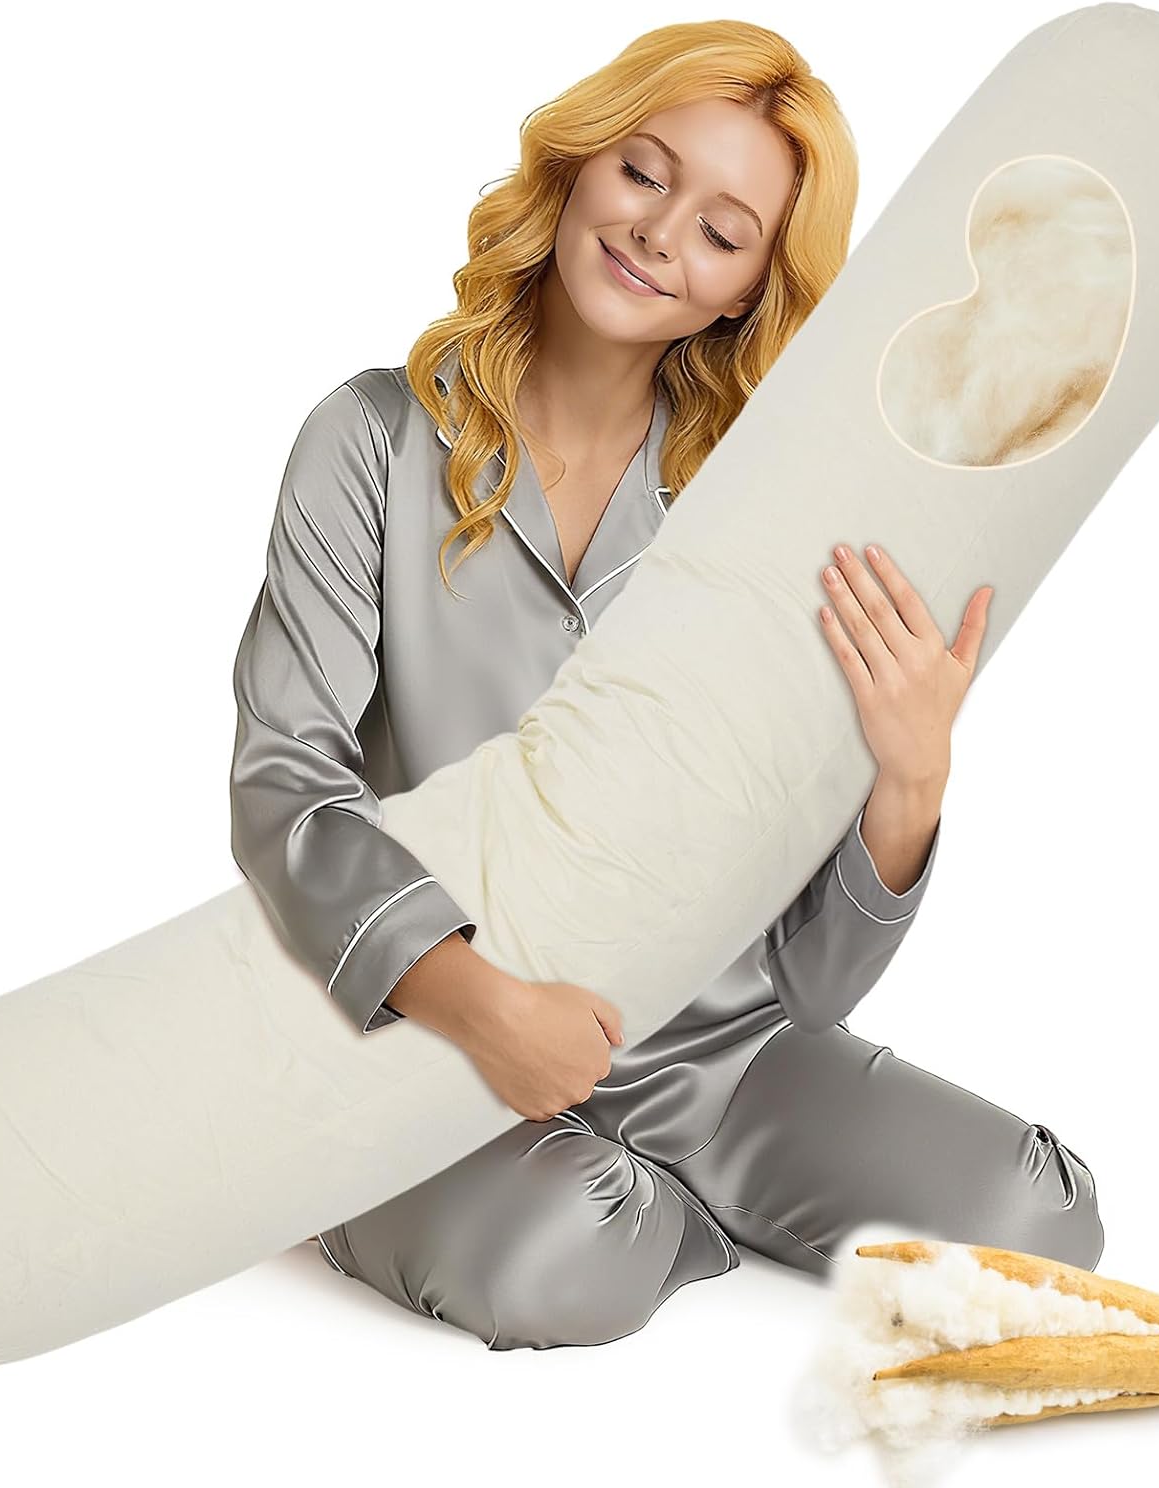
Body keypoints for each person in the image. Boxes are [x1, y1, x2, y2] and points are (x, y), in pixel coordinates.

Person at [229, 19, 1103, 1352]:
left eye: (723, 232)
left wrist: (909, 781)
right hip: (435, 1036)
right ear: (578, 165)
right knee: (566, 1257)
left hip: (708, 1055)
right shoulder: (373, 439)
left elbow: (811, 985)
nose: (658, 232)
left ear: (748, 290)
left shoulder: (766, 515)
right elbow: (287, 786)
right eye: (644, 172)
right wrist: (480, 1006)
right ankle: (505, 1204)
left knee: (1040, 1220)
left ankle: (670, 1195)